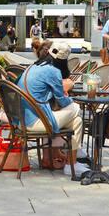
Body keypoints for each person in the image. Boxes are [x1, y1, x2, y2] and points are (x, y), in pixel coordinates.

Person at [16, 40, 85, 176]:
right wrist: (70, 97)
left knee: (77, 121)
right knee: (76, 108)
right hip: (36, 122)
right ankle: (73, 159)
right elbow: (62, 100)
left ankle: (72, 162)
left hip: (23, 120)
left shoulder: (33, 67)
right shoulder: (53, 71)